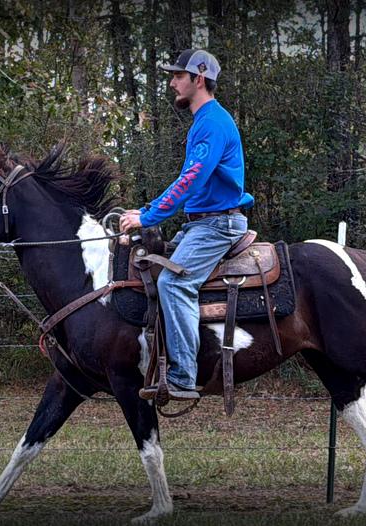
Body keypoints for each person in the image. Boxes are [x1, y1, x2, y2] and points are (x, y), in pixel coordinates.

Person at [120, 49, 254, 400]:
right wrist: (145, 212)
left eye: (178, 75)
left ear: (199, 78)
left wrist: (147, 216)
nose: (172, 82)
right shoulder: (204, 121)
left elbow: (190, 179)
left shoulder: (211, 123)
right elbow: (190, 182)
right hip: (201, 224)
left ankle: (182, 375)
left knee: (174, 284)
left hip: (217, 226)